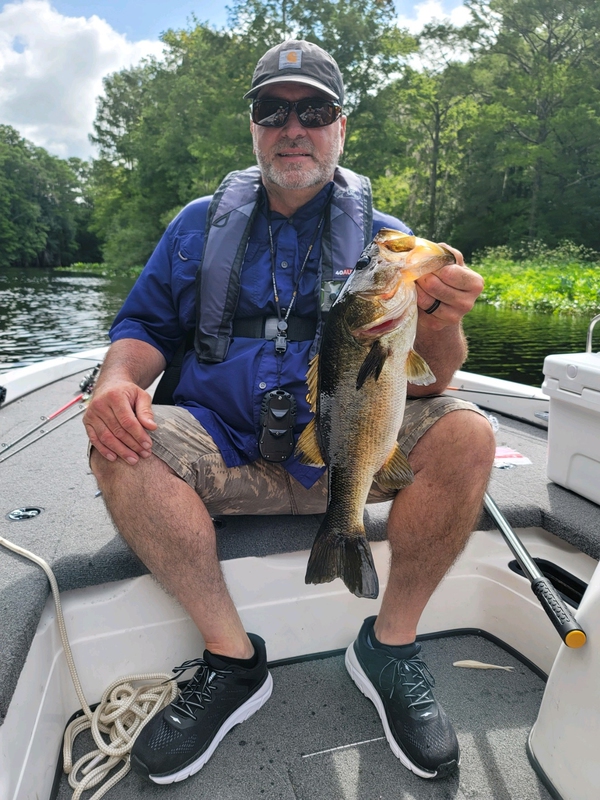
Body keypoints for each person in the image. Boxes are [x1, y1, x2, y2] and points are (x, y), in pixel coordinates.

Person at [84, 40, 496, 785]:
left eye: (313, 110)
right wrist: (116, 380)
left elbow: (433, 378)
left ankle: (391, 646)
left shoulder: (389, 243)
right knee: (122, 441)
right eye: (273, 111)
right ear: (253, 128)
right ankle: (233, 662)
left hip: (351, 450)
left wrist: (440, 318)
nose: (292, 127)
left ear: (342, 126)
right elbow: (142, 329)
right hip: (225, 446)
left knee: (468, 434)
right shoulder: (198, 225)